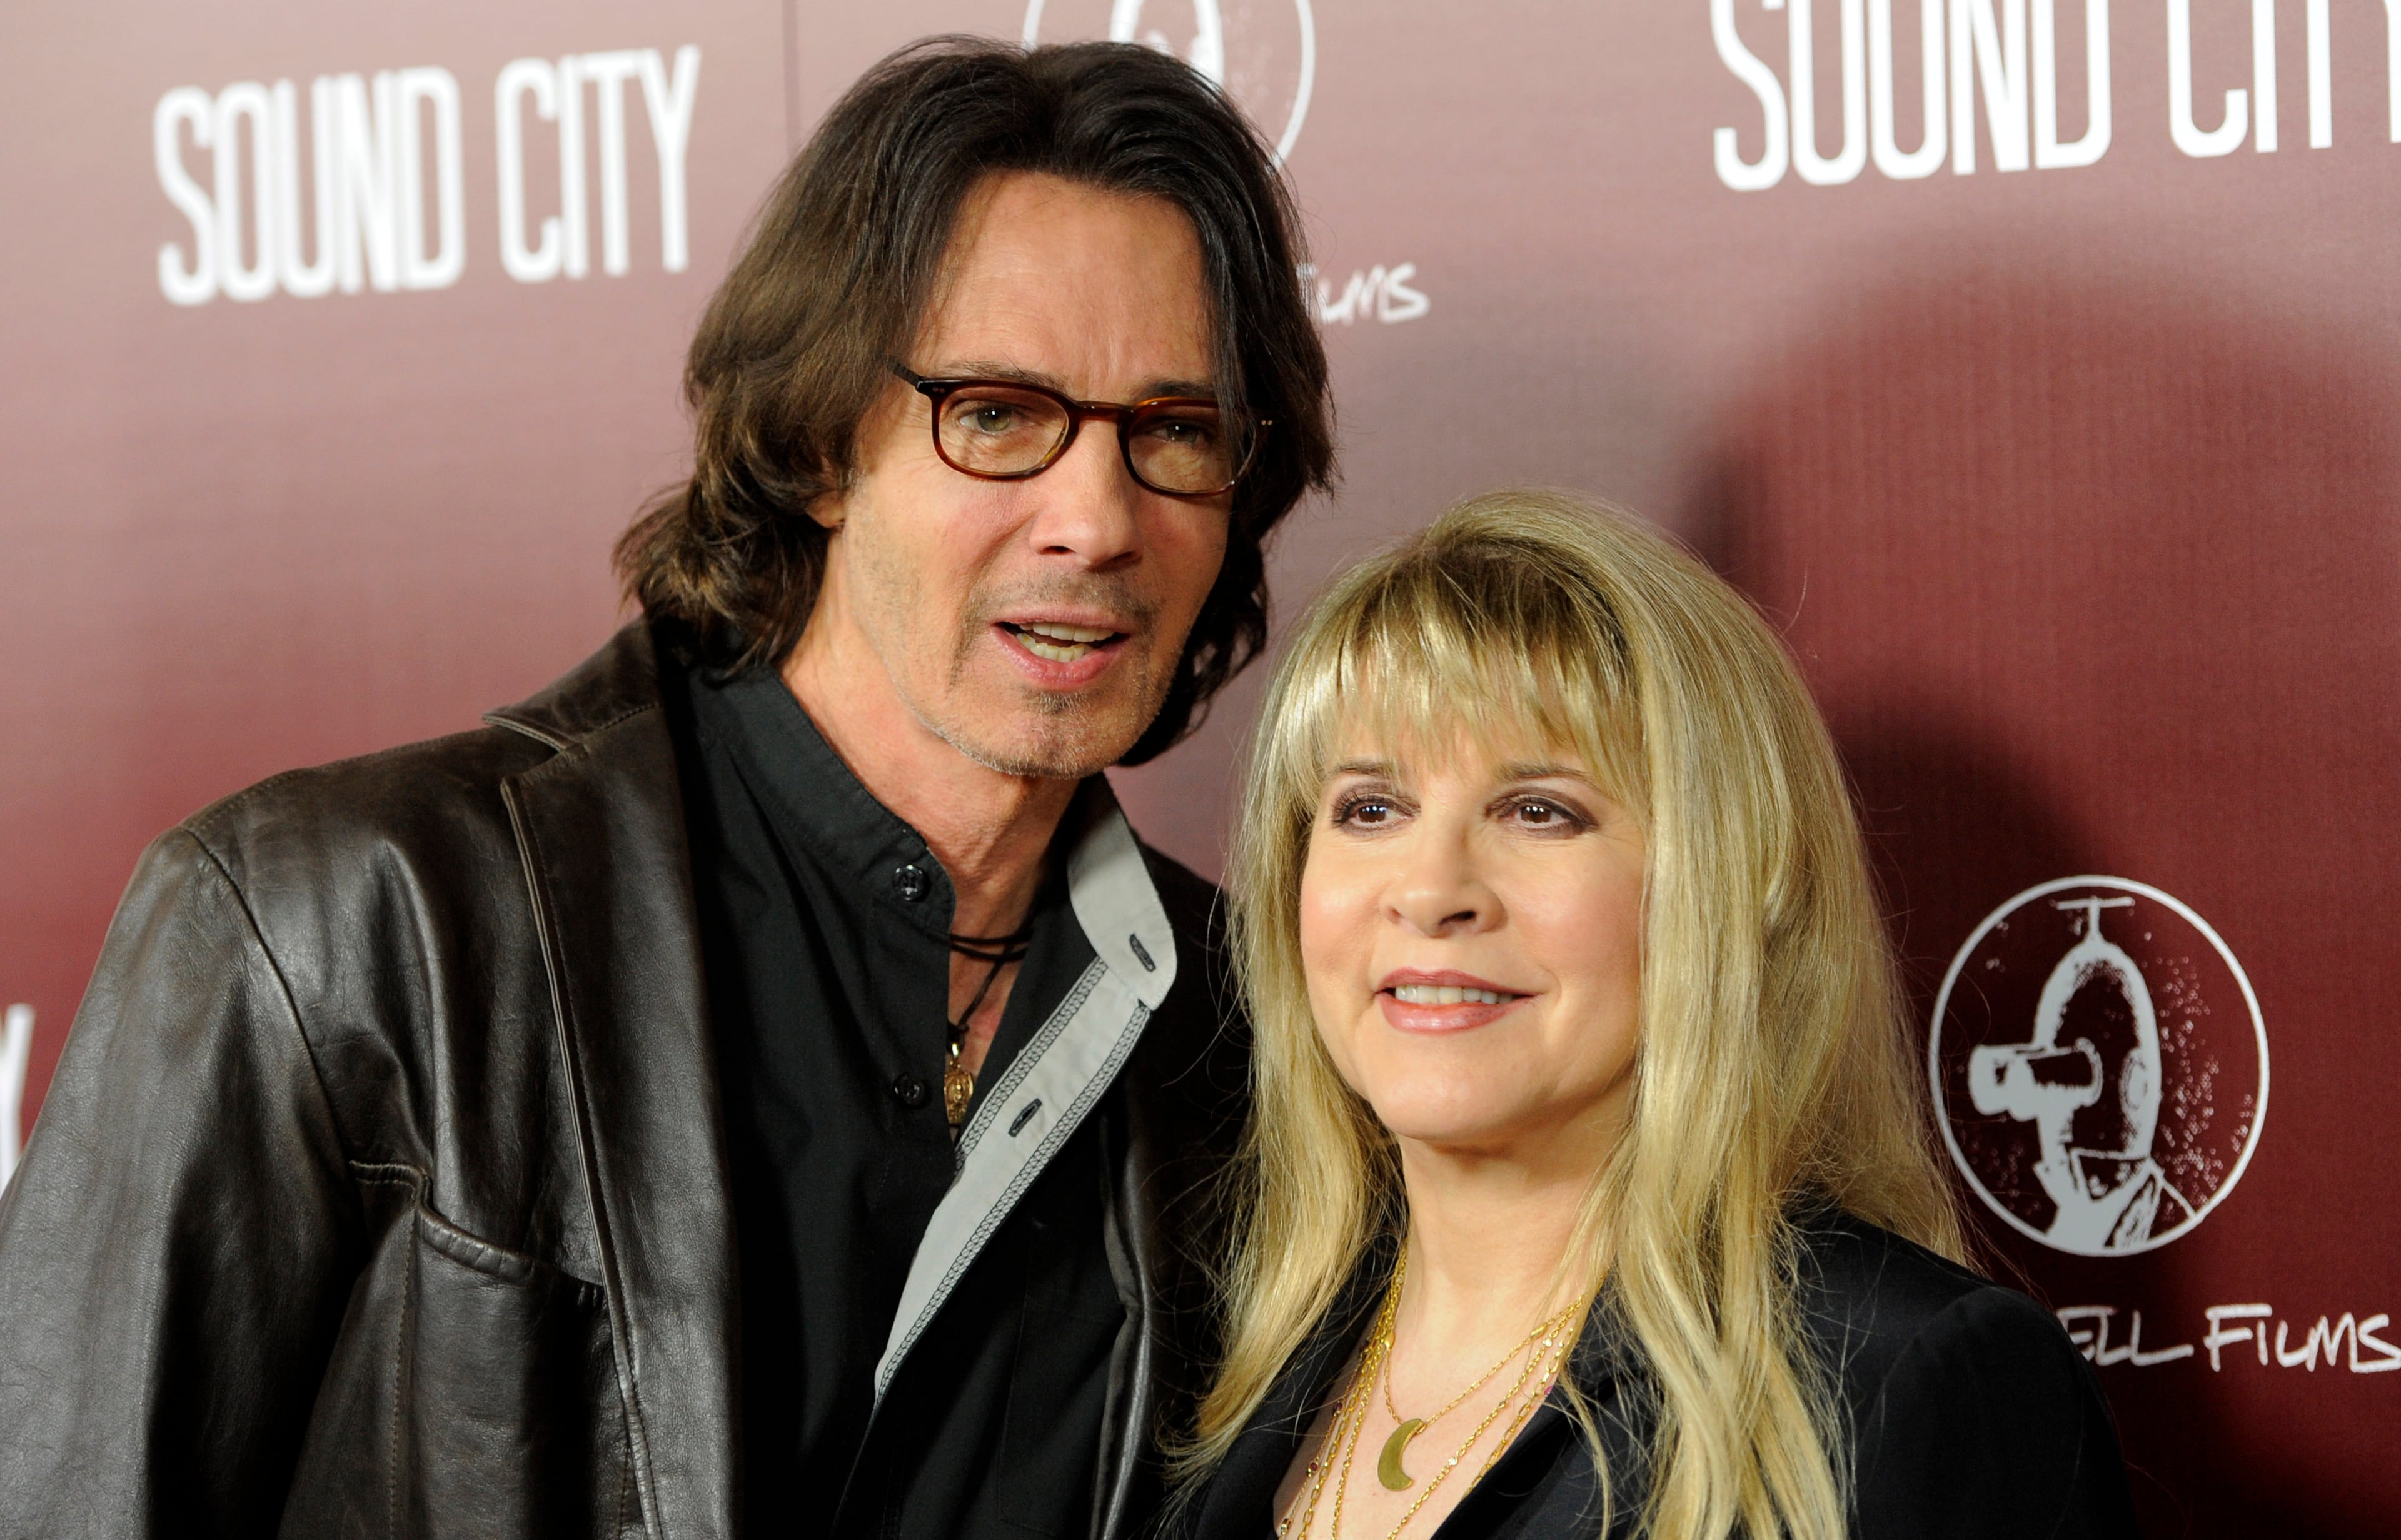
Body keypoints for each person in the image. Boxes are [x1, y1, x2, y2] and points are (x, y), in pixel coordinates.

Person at [0, 38, 1331, 1540]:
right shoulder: (340, 929)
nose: (1096, 517)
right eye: (997, 414)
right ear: (822, 444)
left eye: (1173, 432)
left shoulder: (1251, 1043)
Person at [1172, 492, 2137, 1539]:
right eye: (1371, 808)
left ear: (1720, 886)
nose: (1430, 888)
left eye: (1539, 811)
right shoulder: (1219, 1364)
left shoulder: (1910, 1382)